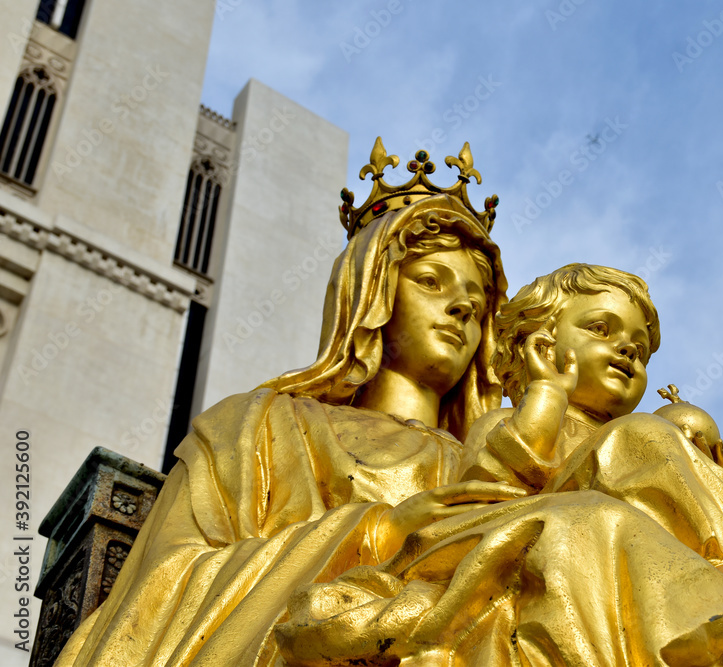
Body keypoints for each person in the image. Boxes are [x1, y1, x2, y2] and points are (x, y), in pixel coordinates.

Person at [276, 264, 723, 667]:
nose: (626, 351)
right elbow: (507, 472)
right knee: (622, 468)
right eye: (602, 329)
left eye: (639, 348)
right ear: (538, 345)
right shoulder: (520, 417)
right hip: (520, 522)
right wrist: (549, 392)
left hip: (671, 533)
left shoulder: (644, 429)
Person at [54, 187, 524, 666]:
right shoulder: (258, 423)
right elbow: (161, 587)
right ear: (369, 293)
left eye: (475, 302)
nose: (461, 308)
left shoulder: (495, 458)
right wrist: (378, 533)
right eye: (430, 281)